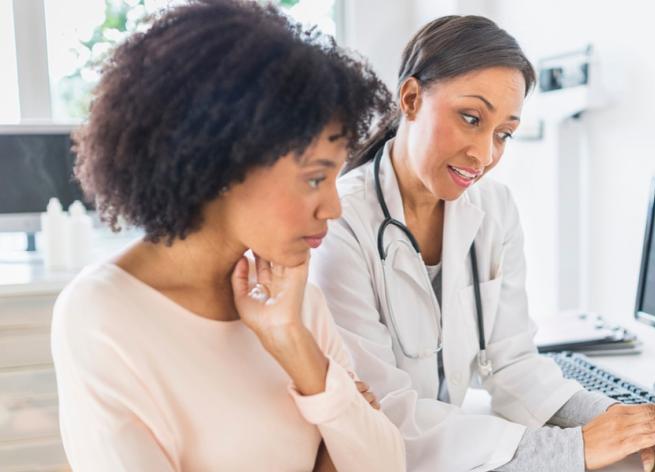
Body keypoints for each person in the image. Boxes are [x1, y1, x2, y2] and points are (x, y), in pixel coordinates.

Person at [310, 15, 655, 472]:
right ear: (410, 99)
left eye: (503, 134)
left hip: (458, 443)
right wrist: (570, 451)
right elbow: (384, 415)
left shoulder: (494, 208)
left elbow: (513, 364)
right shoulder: (339, 223)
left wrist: (620, 422)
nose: (485, 155)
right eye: (471, 118)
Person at [50, 1, 403, 470]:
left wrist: (293, 344)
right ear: (218, 163)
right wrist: (331, 448)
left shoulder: (295, 302)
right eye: (315, 179)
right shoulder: (102, 315)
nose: (334, 208)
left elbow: (384, 465)